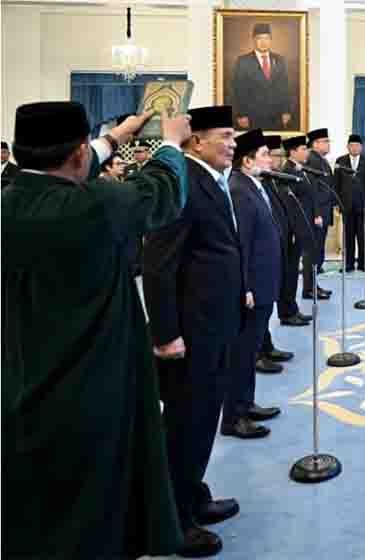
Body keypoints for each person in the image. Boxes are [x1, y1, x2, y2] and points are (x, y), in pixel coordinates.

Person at [3, 103, 190, 558]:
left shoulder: (8, 199)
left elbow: (63, 172)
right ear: (78, 154)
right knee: (93, 513)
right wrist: (169, 142)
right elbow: (163, 190)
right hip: (90, 387)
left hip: (21, 383)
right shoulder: (96, 205)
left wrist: (115, 138)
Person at [143, 105, 242, 557]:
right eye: (225, 135)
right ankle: (173, 522)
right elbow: (159, 263)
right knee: (186, 425)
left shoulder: (210, 180)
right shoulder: (184, 180)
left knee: (203, 422)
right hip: (189, 334)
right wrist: (166, 334)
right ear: (196, 140)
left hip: (214, 325)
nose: (233, 143)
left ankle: (192, 495)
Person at [223, 129, 283, 439]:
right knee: (242, 353)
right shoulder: (239, 190)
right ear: (247, 161)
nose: (270, 159)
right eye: (264, 155)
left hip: (263, 283)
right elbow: (241, 244)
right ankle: (233, 417)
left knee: (249, 350)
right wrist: (244, 286)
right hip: (253, 287)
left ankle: (246, 404)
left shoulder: (253, 185)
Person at [265, 134, 311, 327]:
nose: (278, 159)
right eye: (274, 155)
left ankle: (291, 309)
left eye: (279, 155)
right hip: (279, 239)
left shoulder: (278, 179)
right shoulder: (267, 180)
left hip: (290, 234)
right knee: (284, 278)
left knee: (291, 275)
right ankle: (286, 312)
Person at [283, 135, 331, 300]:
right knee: (308, 256)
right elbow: (291, 200)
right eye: (303, 149)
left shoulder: (303, 168)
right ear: (292, 152)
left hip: (311, 218)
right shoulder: (287, 171)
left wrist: (317, 213)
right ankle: (308, 289)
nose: (307, 152)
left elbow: (313, 193)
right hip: (301, 220)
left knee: (314, 254)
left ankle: (312, 286)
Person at [232, 23, 293, 131]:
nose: (263, 42)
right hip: (252, 117)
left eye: (267, 38)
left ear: (271, 40)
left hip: (276, 116)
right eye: (259, 38)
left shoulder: (279, 60)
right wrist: (241, 115)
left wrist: (286, 111)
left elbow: (285, 87)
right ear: (253, 40)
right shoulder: (243, 61)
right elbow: (237, 90)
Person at [335, 134, 365, 272]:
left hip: (362, 204)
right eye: (352, 145)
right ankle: (349, 264)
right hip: (346, 205)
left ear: (361, 147)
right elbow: (337, 184)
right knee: (348, 236)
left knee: (362, 236)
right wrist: (337, 203)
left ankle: (363, 264)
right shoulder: (340, 161)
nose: (354, 148)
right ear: (348, 147)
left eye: (357, 145)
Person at [306, 128, 336, 271]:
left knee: (320, 241)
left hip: (324, 208)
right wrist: (316, 213)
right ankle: (313, 272)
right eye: (325, 141)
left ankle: (317, 269)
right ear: (315, 144)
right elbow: (313, 190)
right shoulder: (312, 160)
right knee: (315, 243)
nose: (328, 144)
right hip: (318, 211)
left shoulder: (320, 159)